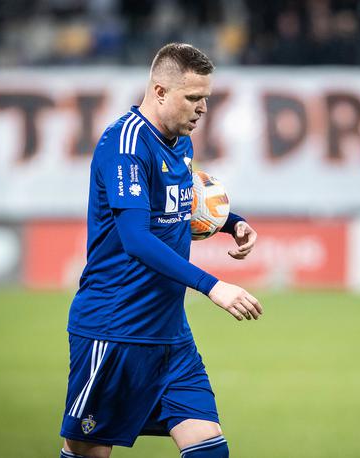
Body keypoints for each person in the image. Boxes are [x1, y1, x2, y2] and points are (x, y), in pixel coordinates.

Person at [59, 43, 262, 458]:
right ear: (160, 91)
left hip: (170, 334)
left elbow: (174, 207)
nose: (202, 108)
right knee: (87, 452)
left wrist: (230, 221)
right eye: (193, 97)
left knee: (209, 447)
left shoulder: (180, 142)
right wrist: (212, 286)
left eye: (206, 97)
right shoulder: (125, 144)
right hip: (115, 329)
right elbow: (136, 238)